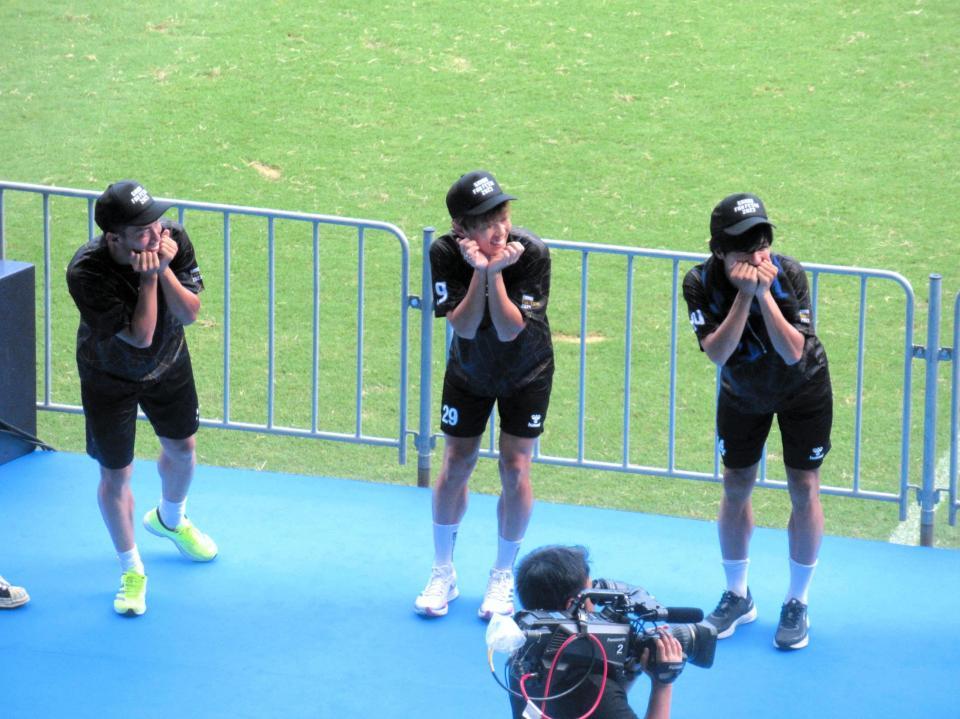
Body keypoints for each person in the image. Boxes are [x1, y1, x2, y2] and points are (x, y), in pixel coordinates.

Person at [681, 193, 832, 650]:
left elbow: (792, 352)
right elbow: (719, 353)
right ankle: (737, 594)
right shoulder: (699, 283)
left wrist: (763, 293)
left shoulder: (787, 274)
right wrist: (742, 299)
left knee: (804, 488)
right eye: (745, 245)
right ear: (720, 250)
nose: (757, 253)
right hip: (742, 395)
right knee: (735, 486)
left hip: (803, 390)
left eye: (762, 241)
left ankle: (797, 601)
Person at [66, 180, 217, 617]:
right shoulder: (87, 272)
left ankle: (171, 519)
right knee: (117, 475)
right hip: (108, 376)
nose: (157, 235)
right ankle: (132, 570)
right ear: (115, 237)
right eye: (144, 231)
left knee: (184, 450)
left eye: (157, 222)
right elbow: (140, 336)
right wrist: (150, 277)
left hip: (169, 365)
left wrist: (164, 269)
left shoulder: (173, 240)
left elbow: (189, 314)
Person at [415, 170, 554, 620]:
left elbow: (513, 328)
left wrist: (495, 271)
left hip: (526, 372)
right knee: (457, 464)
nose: (498, 229)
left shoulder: (530, 252)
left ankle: (501, 576)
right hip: (470, 373)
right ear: (461, 229)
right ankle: (443, 571)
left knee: (515, 468)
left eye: (502, 215)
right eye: (485, 221)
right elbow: (467, 325)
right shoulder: (444, 253)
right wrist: (481, 272)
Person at [509, 545, 683, 719]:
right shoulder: (593, 686)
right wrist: (663, 683)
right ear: (573, 605)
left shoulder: (524, 657)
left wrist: (630, 667)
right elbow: (601, 704)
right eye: (591, 596)